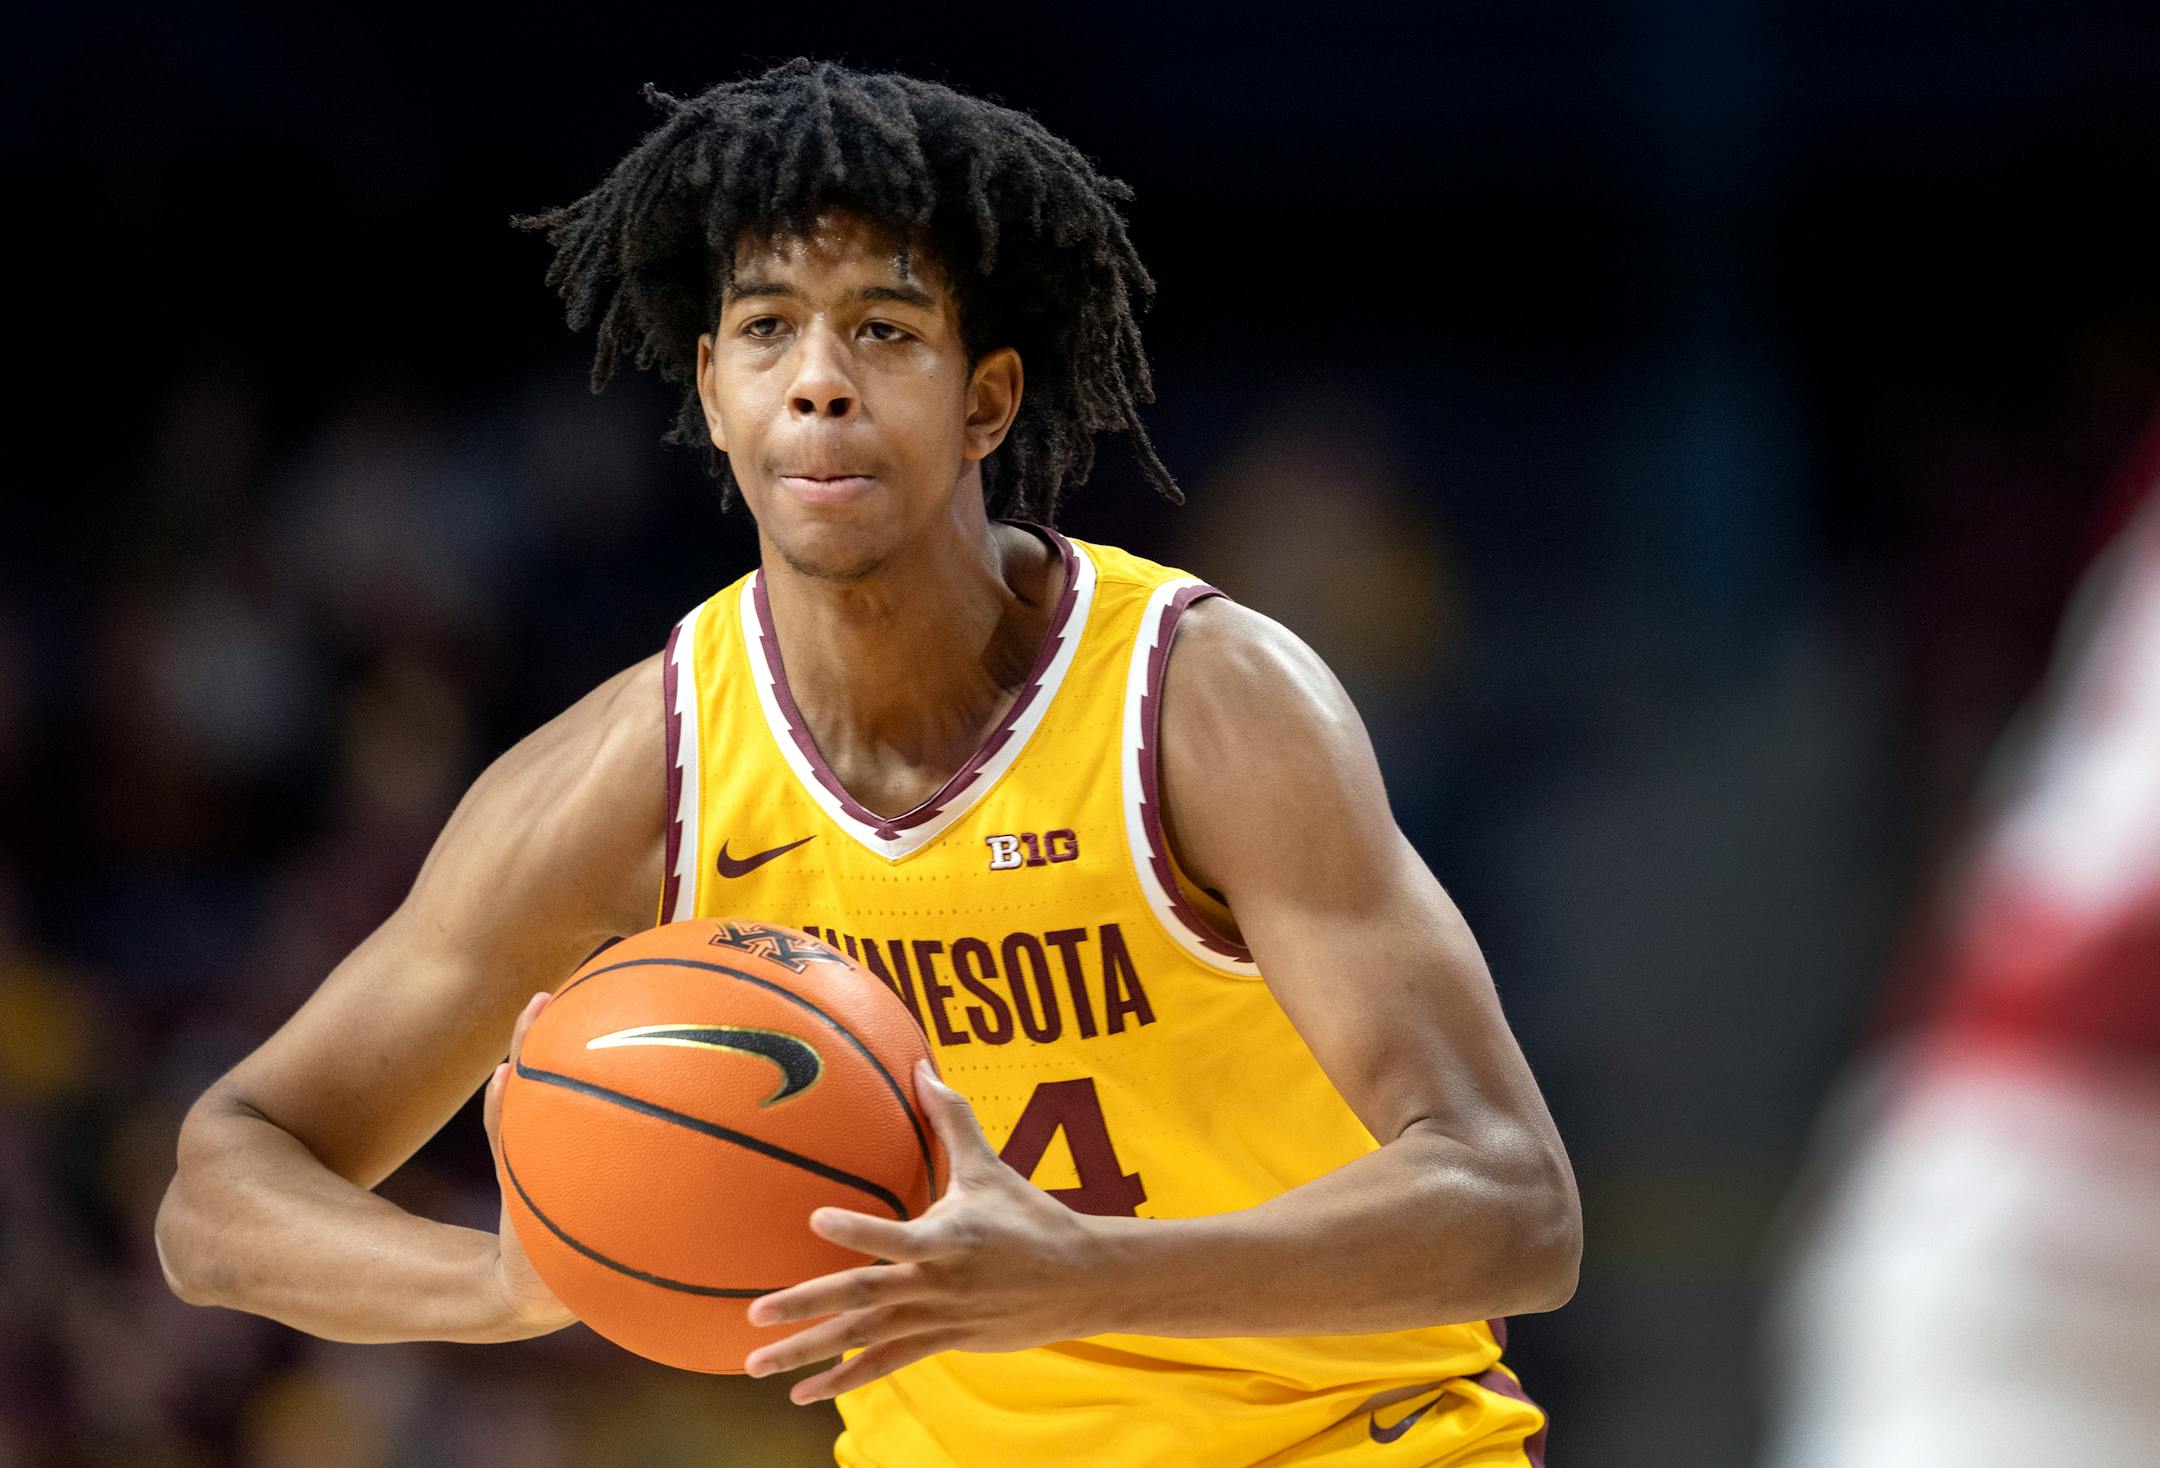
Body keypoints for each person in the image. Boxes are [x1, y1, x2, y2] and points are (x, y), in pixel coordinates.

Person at [154, 59, 1579, 1467]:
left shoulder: (1201, 704)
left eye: (885, 332)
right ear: (714, 389)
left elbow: (1517, 1205)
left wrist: (1084, 1277)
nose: (820, 384)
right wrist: (517, 1280)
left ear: (987, 400)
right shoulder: (637, 771)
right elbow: (220, 1191)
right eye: (768, 330)